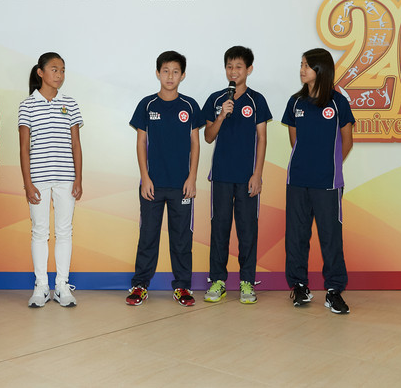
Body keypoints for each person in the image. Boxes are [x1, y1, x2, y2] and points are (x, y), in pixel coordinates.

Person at [126, 51, 205, 307]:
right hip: (152, 186)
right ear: (157, 73)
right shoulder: (147, 105)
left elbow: (195, 144)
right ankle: (140, 285)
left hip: (182, 186)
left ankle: (182, 287)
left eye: (175, 71)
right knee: (148, 235)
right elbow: (141, 143)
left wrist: (192, 178)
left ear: (182, 75)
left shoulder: (190, 105)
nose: (170, 76)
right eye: (165, 71)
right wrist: (145, 178)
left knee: (182, 238)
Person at [281, 48, 354, 315]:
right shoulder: (295, 102)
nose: (301, 70)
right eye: (301, 65)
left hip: (328, 183)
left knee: (330, 238)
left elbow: (347, 141)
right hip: (298, 180)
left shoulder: (338, 102)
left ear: (320, 70)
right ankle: (299, 285)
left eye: (306, 66)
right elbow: (294, 140)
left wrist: (330, 165)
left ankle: (334, 290)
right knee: (296, 236)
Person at [201, 46, 272, 304]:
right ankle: (218, 280)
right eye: (229, 67)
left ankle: (247, 282)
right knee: (219, 228)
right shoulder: (216, 99)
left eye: (239, 67)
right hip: (220, 176)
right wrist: (221, 115)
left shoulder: (257, 100)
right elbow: (208, 137)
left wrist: (258, 174)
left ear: (249, 70)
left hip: (247, 178)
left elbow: (262, 139)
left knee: (247, 229)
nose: (233, 71)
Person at [19, 52, 84, 308]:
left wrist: (78, 178)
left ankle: (62, 286)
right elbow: (24, 147)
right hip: (38, 178)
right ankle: (41, 286)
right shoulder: (27, 105)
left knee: (64, 232)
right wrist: (28, 182)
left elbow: (76, 145)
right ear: (40, 72)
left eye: (63, 70)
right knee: (39, 231)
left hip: (66, 179)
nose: (59, 75)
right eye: (54, 69)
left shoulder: (70, 103)